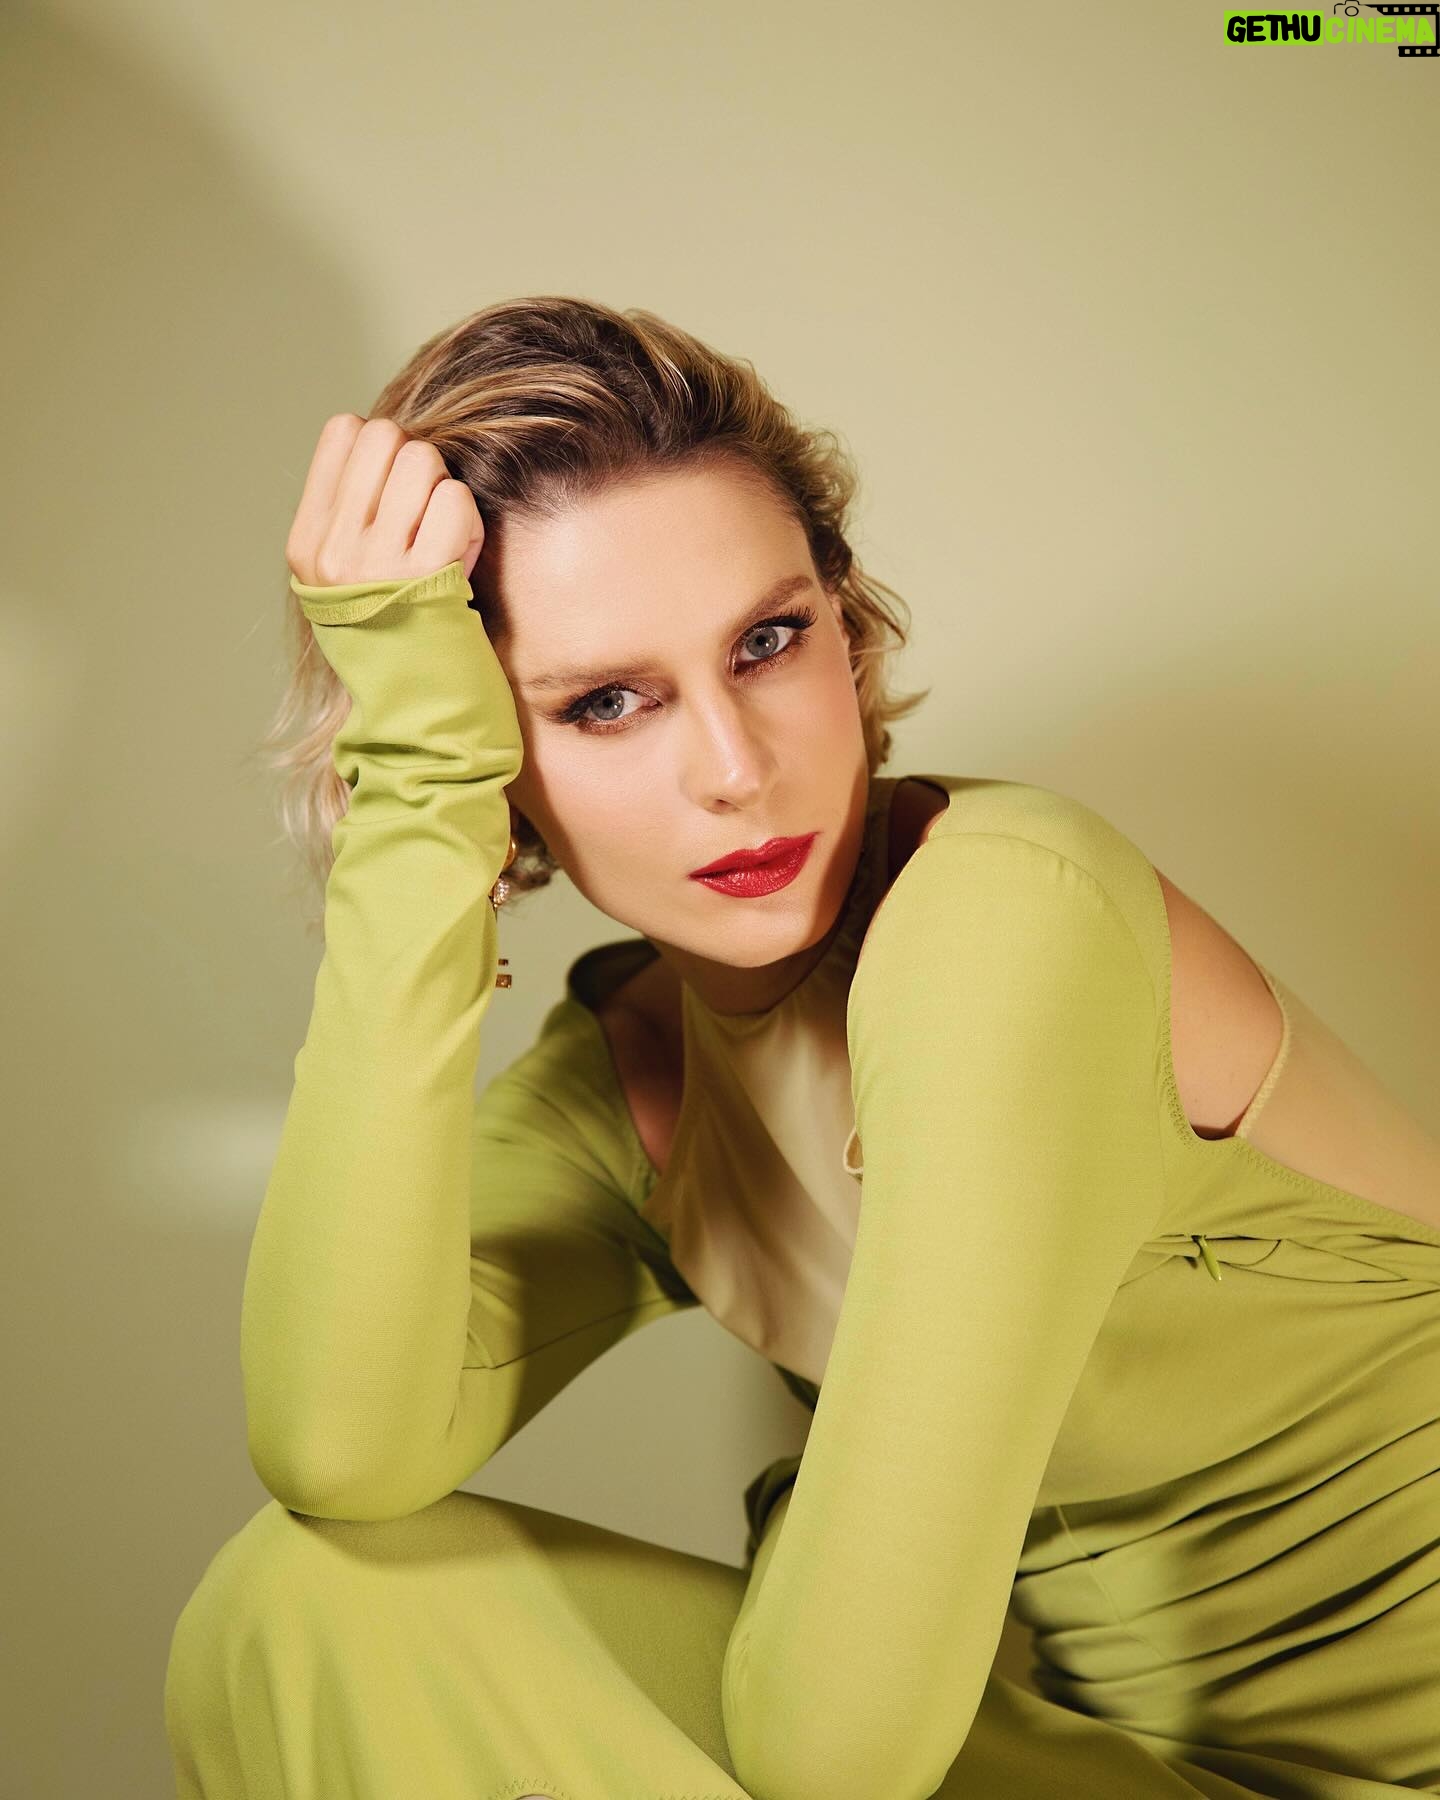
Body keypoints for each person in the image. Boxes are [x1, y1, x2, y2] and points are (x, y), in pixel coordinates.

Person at [164, 297, 1440, 1800]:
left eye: (766, 642)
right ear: (493, 755)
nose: (734, 769)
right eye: (606, 703)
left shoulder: (1009, 916)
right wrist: (417, 802)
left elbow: (838, 1751)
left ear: (847, 625)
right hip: (1118, 1766)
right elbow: (337, 1448)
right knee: (299, 1607)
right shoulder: (631, 1078)